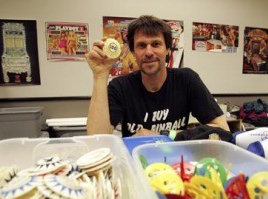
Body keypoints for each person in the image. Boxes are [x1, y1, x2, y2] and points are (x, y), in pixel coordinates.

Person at [85, 15, 229, 137]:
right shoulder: (120, 87)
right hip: (135, 163)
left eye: (156, 44)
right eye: (141, 45)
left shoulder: (186, 80)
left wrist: (164, 135)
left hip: (177, 163)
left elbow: (222, 130)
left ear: (167, 49)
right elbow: (97, 140)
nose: (148, 52)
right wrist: (100, 74)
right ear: (133, 52)